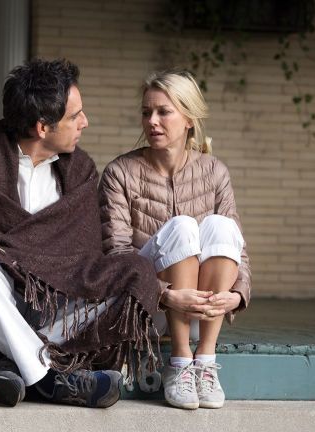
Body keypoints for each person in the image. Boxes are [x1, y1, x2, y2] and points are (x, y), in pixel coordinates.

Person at [0, 59, 161, 408]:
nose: (85, 122)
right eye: (75, 116)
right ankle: (48, 379)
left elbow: (84, 258)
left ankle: (13, 363)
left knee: (135, 273)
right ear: (43, 127)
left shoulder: (80, 168)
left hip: (57, 300)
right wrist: (25, 261)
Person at [98, 70, 251, 410]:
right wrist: (165, 294)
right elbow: (116, 255)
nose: (151, 121)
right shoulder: (120, 173)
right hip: (146, 308)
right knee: (183, 226)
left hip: (201, 311)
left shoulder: (214, 171)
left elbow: (237, 247)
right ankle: (180, 362)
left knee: (223, 226)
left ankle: (205, 360)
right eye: (146, 112)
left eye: (163, 112)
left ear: (189, 119)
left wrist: (237, 295)